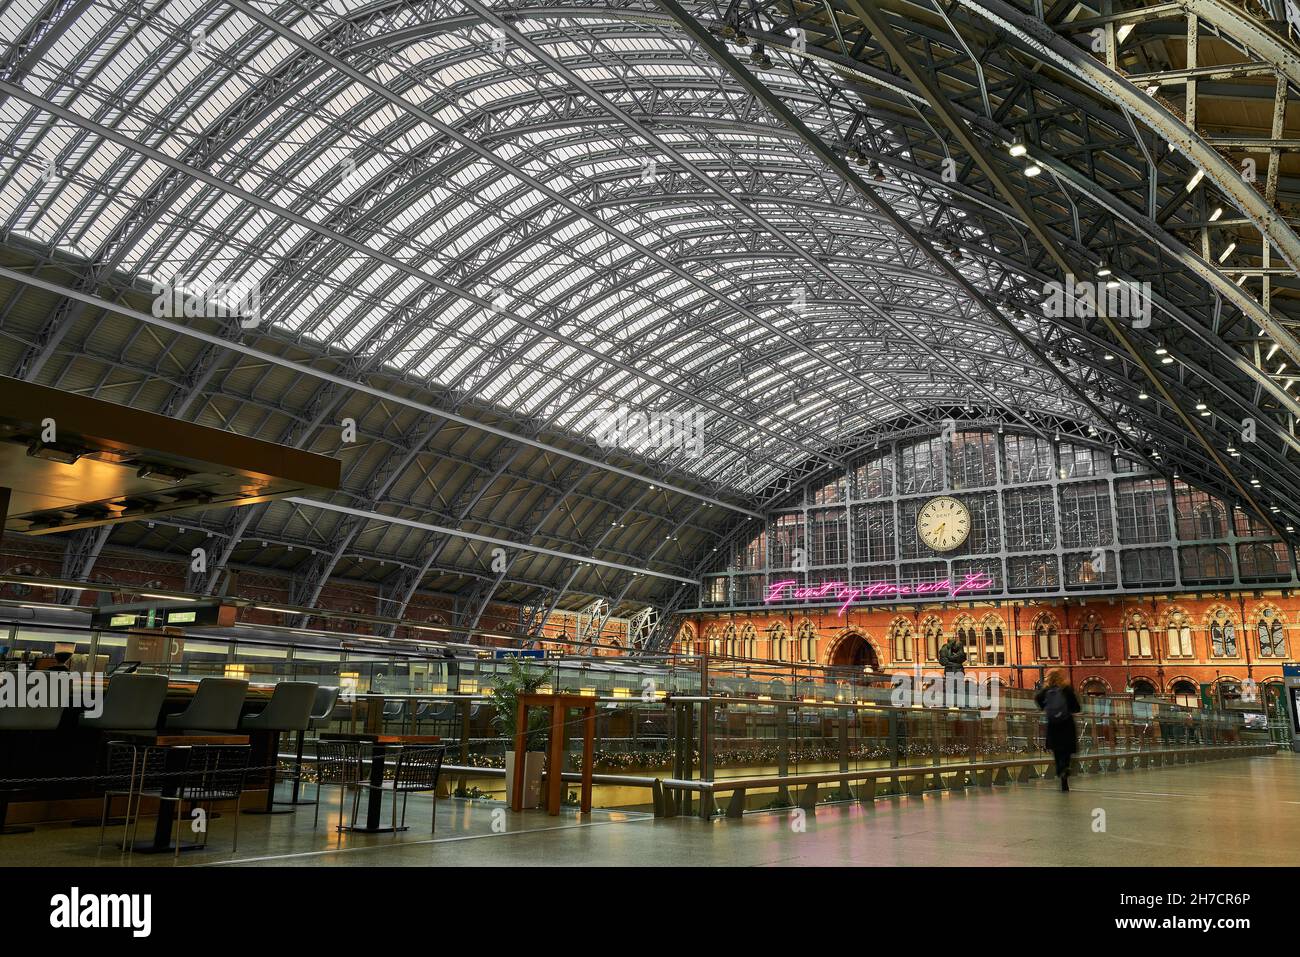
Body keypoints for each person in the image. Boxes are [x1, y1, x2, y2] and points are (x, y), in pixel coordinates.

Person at [1035, 670, 1082, 790]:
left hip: (1053, 725)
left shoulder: (1045, 691)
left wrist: (1046, 708)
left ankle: (1060, 770)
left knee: (1057, 751)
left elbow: (1038, 701)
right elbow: (1076, 707)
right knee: (1067, 751)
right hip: (1067, 724)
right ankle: (1065, 770)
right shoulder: (1066, 689)